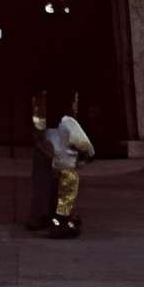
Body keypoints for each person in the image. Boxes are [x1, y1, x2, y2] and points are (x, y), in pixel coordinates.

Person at [45, 92, 94, 237]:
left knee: (55, 198)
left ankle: (56, 224)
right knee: (66, 198)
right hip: (68, 167)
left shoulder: (49, 125)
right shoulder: (68, 122)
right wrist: (88, 155)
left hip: (54, 167)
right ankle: (64, 227)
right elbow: (84, 143)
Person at [25, 88, 56, 230]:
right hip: (45, 149)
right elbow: (38, 134)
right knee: (43, 183)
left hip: (47, 147)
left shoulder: (42, 106)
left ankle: (45, 215)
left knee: (47, 184)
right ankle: (40, 216)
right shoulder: (40, 107)